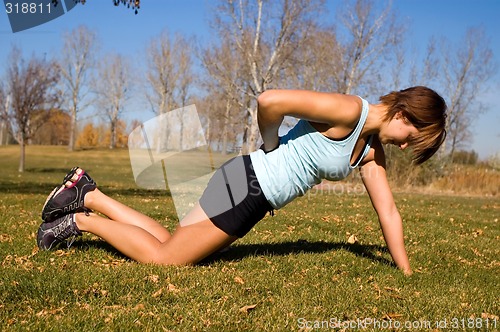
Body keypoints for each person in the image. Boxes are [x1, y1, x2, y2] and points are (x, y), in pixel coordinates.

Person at [37, 86, 447, 276]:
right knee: (166, 260)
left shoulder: (371, 149)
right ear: (405, 115)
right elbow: (270, 101)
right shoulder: (348, 110)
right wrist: (271, 143)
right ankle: (78, 222)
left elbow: (388, 211)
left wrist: (406, 272)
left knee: (168, 246)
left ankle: (89, 194)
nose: (407, 146)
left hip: (246, 183)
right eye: (412, 138)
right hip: (249, 187)